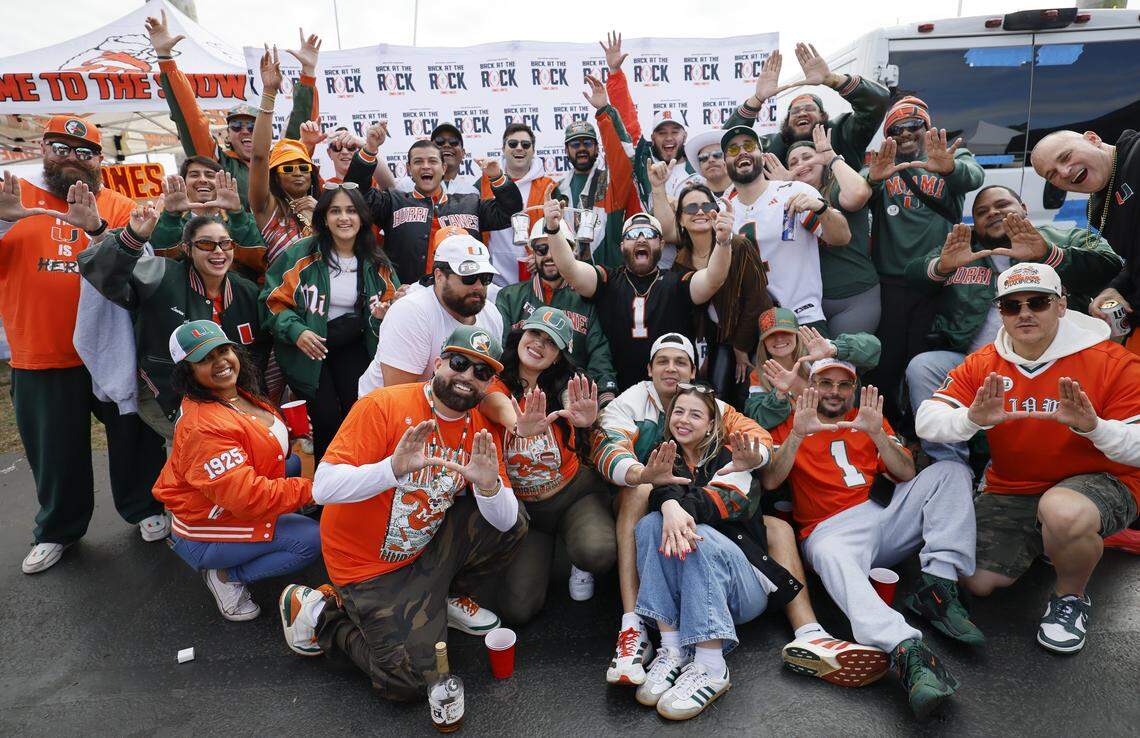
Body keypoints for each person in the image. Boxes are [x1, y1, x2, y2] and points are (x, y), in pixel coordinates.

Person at [278, 326, 528, 700]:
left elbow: (506, 523)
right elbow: (323, 487)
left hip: (423, 547)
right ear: (439, 362)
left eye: (481, 372)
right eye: (459, 363)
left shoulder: (479, 431)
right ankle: (319, 613)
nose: (467, 377)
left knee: (515, 518)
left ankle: (445, 597)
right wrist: (390, 471)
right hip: (365, 568)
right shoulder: (384, 405)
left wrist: (488, 486)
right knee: (414, 682)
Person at [916, 263, 1140, 655]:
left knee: (1064, 512)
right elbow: (927, 421)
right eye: (1011, 305)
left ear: (1062, 306)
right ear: (1000, 311)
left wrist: (1094, 428)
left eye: (1038, 302)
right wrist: (970, 419)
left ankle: (1070, 596)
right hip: (1015, 486)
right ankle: (1056, 542)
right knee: (978, 582)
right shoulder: (984, 363)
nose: (1024, 313)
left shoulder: (1112, 361)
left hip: (1101, 480)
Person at [632, 384, 884, 721]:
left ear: (711, 425)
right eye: (678, 412)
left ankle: (710, 665)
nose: (684, 420)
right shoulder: (667, 457)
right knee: (648, 524)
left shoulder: (734, 459)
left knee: (696, 532)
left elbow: (718, 504)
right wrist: (666, 505)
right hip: (693, 589)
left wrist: (676, 507)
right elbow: (658, 493)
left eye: (695, 414)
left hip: (742, 588)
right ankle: (673, 649)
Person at [763, 363, 979, 720]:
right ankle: (907, 650)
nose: (834, 391)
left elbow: (907, 472)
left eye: (843, 385)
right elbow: (770, 481)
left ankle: (938, 588)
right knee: (828, 554)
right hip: (830, 529)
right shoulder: (792, 420)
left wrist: (878, 433)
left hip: (884, 512)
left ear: (853, 388)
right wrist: (797, 435)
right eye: (825, 383)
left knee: (951, 471)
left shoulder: (868, 417)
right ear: (811, 386)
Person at [0, 118, 167, 575]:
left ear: (100, 160)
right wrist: (1, 220)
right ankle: (57, 528)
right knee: (55, 450)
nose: (72, 157)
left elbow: (145, 275)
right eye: (61, 147)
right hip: (42, 352)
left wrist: (98, 230)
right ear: (43, 149)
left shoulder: (119, 205)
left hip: (113, 352)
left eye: (84, 151)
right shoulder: (14, 197)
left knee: (134, 437)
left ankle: (145, 507)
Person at [588, 334, 790, 686]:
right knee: (647, 503)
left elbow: (756, 439)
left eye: (680, 361)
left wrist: (751, 459)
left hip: (727, 551)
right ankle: (639, 629)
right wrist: (650, 482)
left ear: (693, 371)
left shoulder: (712, 407)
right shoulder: (631, 402)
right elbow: (607, 451)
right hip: (647, 498)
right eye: (662, 361)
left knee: (694, 529)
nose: (671, 368)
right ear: (648, 369)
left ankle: (711, 660)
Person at [904, 187, 1123, 464]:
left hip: (1050, 361)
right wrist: (943, 266)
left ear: (1024, 208)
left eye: (1001, 205)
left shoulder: (1061, 236)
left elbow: (1110, 264)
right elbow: (912, 275)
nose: (992, 213)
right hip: (976, 362)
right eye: (981, 212)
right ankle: (949, 465)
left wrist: (1047, 253)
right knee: (924, 365)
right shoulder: (965, 248)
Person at [154, 320, 319, 621]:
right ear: (187, 372)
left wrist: (291, 436)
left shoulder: (234, 392)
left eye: (223, 350)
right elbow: (249, 496)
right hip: (204, 528)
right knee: (310, 539)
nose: (221, 362)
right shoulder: (202, 426)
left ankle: (266, 533)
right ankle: (227, 576)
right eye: (205, 358)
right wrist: (315, 489)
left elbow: (259, 442)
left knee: (292, 465)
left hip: (226, 501)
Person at [79, 200, 267, 443]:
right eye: (206, 244)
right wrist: (133, 237)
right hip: (169, 393)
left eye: (225, 243)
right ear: (188, 250)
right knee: (210, 446)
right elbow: (105, 277)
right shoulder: (162, 275)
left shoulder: (246, 292)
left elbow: (260, 352)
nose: (218, 251)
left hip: (228, 393)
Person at [862, 98, 984, 424]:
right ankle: (889, 427)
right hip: (892, 282)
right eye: (896, 129)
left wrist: (949, 167)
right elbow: (855, 191)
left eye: (913, 127)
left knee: (924, 358)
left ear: (926, 128)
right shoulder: (881, 163)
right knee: (887, 362)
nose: (905, 134)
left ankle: (927, 428)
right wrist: (872, 179)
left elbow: (974, 177)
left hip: (940, 277)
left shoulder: (950, 156)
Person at [261, 184, 399, 462]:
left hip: (354, 343)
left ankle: (356, 480)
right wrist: (297, 331)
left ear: (362, 218)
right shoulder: (301, 254)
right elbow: (271, 301)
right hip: (309, 346)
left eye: (351, 211)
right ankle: (326, 490)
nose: (344, 218)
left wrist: (387, 312)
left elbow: (392, 301)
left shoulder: (375, 260)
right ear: (323, 218)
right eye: (335, 211)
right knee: (325, 419)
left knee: (356, 412)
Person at [492, 309, 615, 618]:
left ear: (559, 356)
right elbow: (492, 403)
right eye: (535, 335)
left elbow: (578, 406)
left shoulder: (567, 385)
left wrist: (588, 421)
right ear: (521, 335)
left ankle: (577, 552)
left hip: (573, 494)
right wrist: (519, 426)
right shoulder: (495, 382)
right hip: (528, 509)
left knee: (596, 552)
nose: (539, 345)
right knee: (517, 610)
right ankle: (553, 549)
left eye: (551, 342)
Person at [548, 202, 730, 391]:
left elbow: (713, 279)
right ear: (622, 245)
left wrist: (723, 242)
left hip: (671, 390)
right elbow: (570, 270)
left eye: (650, 234)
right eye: (633, 235)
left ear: (661, 244)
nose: (641, 240)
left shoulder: (677, 283)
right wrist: (553, 230)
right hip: (616, 391)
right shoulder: (607, 281)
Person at [146, 10, 318, 208]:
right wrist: (166, 59)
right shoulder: (218, 165)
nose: (245, 131)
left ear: (266, 131)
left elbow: (300, 127)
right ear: (228, 133)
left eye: (252, 127)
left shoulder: (281, 162)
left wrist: (308, 73)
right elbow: (191, 119)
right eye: (236, 125)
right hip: (236, 237)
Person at [339, 129, 522, 284]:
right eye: (418, 162)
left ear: (443, 167)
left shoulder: (471, 203)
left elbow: (510, 211)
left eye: (432, 161)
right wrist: (370, 149)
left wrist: (497, 177)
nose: (426, 167)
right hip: (408, 298)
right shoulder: (393, 202)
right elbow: (354, 193)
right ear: (409, 169)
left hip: (460, 298)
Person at [651, 180, 772, 401]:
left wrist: (741, 347)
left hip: (751, 337)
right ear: (680, 219)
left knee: (746, 395)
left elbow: (758, 300)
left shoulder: (738, 246)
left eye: (706, 207)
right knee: (715, 396)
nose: (699, 212)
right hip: (715, 342)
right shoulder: (680, 261)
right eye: (690, 208)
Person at [721, 125, 851, 332]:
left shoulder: (792, 191)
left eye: (749, 145)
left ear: (762, 155)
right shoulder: (722, 208)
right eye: (733, 150)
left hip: (803, 317)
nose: (742, 152)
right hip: (750, 324)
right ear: (724, 162)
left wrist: (821, 209)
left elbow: (841, 237)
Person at [358, 228, 502, 396]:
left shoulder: (491, 314)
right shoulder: (411, 312)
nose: (478, 286)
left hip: (450, 409)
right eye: (468, 278)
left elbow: (487, 387)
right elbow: (397, 398)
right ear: (439, 276)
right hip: (386, 413)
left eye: (485, 278)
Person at [1031, 129, 1139, 351]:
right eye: (1052, 174)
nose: (1064, 171)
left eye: (1065, 156)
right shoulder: (1097, 208)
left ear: (1093, 139)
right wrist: (1115, 288)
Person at [495, 218, 619, 405]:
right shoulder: (510, 297)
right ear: (532, 253)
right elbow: (499, 351)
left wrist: (604, 399)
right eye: (541, 250)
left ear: (571, 252)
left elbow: (599, 356)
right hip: (515, 394)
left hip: (570, 398)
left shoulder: (586, 299)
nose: (550, 256)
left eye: (557, 248)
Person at [777, 125, 878, 335]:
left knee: (841, 364)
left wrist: (831, 157)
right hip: (809, 303)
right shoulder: (788, 199)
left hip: (854, 295)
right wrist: (782, 187)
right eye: (793, 162)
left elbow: (858, 194)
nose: (801, 165)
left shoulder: (836, 185)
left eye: (807, 157)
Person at [725, 43, 890, 171]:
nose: (801, 113)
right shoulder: (771, 146)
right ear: (787, 121)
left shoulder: (842, 133)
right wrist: (758, 98)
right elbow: (727, 140)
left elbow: (876, 102)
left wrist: (831, 79)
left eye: (810, 109)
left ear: (823, 116)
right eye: (795, 111)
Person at [553, 75, 641, 270]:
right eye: (575, 144)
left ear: (597, 147)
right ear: (566, 150)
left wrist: (603, 112)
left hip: (609, 276)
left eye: (588, 143)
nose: (582, 148)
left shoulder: (610, 183)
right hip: (571, 280)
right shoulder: (557, 190)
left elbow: (621, 154)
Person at [600, 32, 695, 207]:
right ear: (652, 138)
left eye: (675, 132)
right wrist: (615, 73)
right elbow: (627, 120)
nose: (668, 137)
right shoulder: (644, 162)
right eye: (662, 132)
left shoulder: (700, 166)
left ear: (685, 135)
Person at [745, 307, 881, 429]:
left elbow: (874, 348)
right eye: (771, 335)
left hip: (842, 427)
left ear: (796, 335)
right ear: (763, 342)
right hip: (799, 440)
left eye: (785, 333)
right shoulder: (761, 375)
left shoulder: (817, 349)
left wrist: (834, 349)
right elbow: (758, 420)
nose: (779, 339)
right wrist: (779, 393)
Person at [249, 46, 323, 266]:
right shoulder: (267, 207)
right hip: (285, 298)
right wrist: (269, 93)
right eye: (288, 168)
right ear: (275, 176)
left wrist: (318, 215)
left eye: (304, 168)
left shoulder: (326, 210)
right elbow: (260, 157)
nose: (298, 173)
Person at [149, 164, 268, 280]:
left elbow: (259, 262)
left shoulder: (246, 219)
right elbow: (159, 265)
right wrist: (171, 217)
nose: (203, 180)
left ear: (223, 182)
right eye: (194, 175)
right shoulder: (166, 222)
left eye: (210, 175)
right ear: (184, 183)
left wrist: (236, 214)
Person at [481, 123, 561, 286]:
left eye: (525, 145)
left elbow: (560, 231)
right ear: (503, 149)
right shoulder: (483, 183)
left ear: (533, 151)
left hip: (533, 272)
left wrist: (544, 254)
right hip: (492, 275)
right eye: (513, 144)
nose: (519, 148)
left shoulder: (550, 187)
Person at [394, 123, 479, 195]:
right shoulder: (405, 186)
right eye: (439, 141)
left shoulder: (472, 193)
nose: (446, 145)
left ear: (463, 153)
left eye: (453, 141)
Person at [681, 129, 731, 196]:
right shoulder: (691, 196)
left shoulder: (747, 187)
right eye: (703, 158)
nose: (710, 160)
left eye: (717, 155)